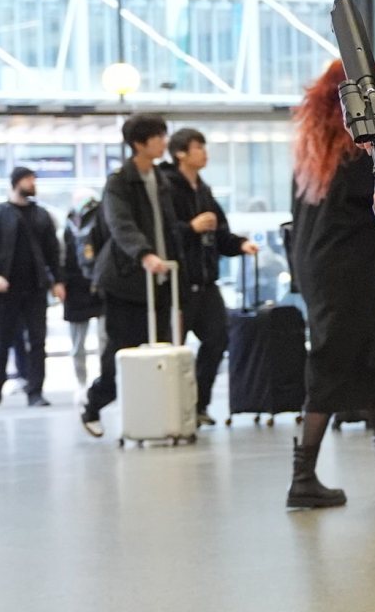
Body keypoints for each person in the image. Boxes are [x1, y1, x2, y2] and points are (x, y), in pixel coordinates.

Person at [284, 62, 375, 509]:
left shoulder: (316, 152)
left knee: (374, 363)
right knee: (332, 364)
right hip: (345, 270)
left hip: (322, 268)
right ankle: (302, 478)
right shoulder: (357, 152)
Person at [81, 114, 187, 438]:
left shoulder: (161, 178)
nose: (163, 142)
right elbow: (120, 224)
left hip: (160, 279)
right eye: (157, 137)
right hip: (125, 279)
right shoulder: (119, 181)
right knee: (121, 349)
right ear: (139, 143)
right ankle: (93, 406)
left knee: (163, 348)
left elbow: (170, 227)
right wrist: (145, 254)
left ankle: (159, 417)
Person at [158, 127, 254, 426]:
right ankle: (172, 410)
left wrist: (239, 244)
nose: (205, 152)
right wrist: (192, 227)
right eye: (198, 147)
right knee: (172, 347)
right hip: (178, 284)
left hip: (206, 281)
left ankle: (199, 405)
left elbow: (220, 233)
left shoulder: (204, 189)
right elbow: (163, 232)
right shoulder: (165, 187)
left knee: (217, 338)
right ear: (180, 153)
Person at [0, 166, 62, 408]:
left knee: (38, 340)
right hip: (6, 289)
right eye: (28, 179)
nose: (33, 183)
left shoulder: (42, 216)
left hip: (35, 288)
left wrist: (58, 281)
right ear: (16, 183)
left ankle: (35, 391)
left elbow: (53, 252)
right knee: (3, 339)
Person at [59, 193, 101, 392]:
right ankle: (81, 383)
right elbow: (60, 256)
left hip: (98, 285)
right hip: (75, 287)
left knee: (104, 341)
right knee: (78, 344)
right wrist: (59, 283)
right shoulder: (66, 229)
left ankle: (104, 382)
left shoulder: (101, 223)